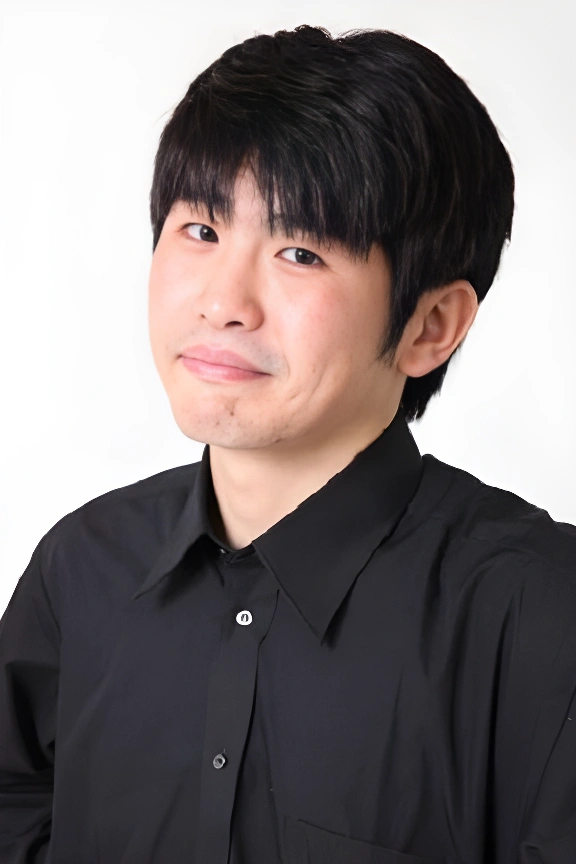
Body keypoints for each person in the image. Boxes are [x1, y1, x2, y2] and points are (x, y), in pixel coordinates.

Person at [1, 23, 575, 864]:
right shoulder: (80, 570)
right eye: (201, 231)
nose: (222, 303)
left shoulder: (541, 615)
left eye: (300, 251)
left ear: (430, 325)